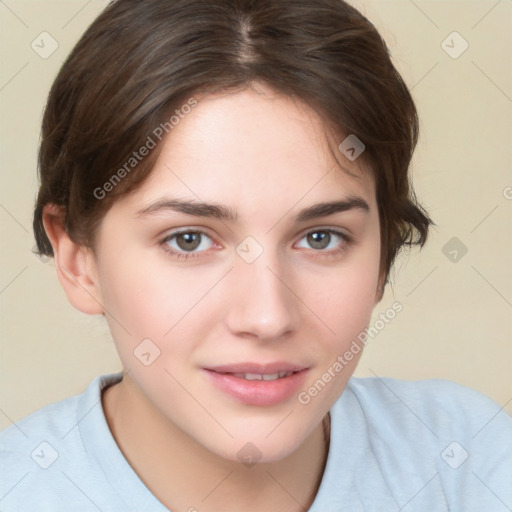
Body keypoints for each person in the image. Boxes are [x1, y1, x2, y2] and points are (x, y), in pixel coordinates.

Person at [1, 0, 511, 510]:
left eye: (321, 238)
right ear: (77, 259)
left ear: (383, 254)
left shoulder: (471, 464)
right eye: (189, 240)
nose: (267, 317)